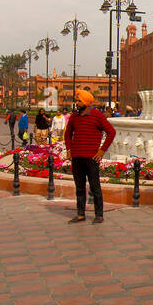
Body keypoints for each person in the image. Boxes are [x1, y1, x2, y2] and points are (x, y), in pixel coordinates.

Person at [63, 88, 116, 223]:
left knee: (95, 187)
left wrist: (102, 150)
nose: (77, 103)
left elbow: (111, 132)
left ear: (86, 102)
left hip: (91, 158)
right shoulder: (74, 117)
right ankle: (80, 214)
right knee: (79, 188)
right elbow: (67, 134)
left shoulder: (97, 115)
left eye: (79, 100)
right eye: (76, 100)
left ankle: (99, 215)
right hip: (77, 158)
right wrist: (69, 149)